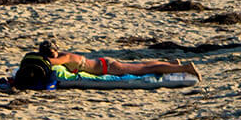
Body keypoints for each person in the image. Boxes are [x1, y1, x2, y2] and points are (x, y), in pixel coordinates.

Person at [36, 40, 200, 79]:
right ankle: (172, 64)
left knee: (146, 70)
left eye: (52, 53)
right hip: (104, 63)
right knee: (141, 65)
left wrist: (39, 59)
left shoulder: (64, 57)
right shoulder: (62, 54)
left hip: (108, 68)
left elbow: (52, 62)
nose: (52, 56)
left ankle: (185, 68)